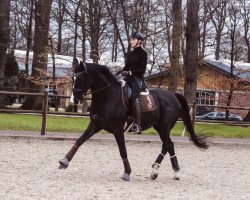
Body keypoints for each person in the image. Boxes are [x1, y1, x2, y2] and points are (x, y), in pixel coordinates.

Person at [119, 31, 148, 134]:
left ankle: (137, 125)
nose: (131, 41)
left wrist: (131, 72)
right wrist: (121, 71)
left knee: (134, 98)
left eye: (133, 39)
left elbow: (142, 70)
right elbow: (126, 67)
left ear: (139, 41)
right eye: (131, 39)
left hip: (138, 79)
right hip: (128, 78)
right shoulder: (131, 53)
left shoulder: (143, 53)